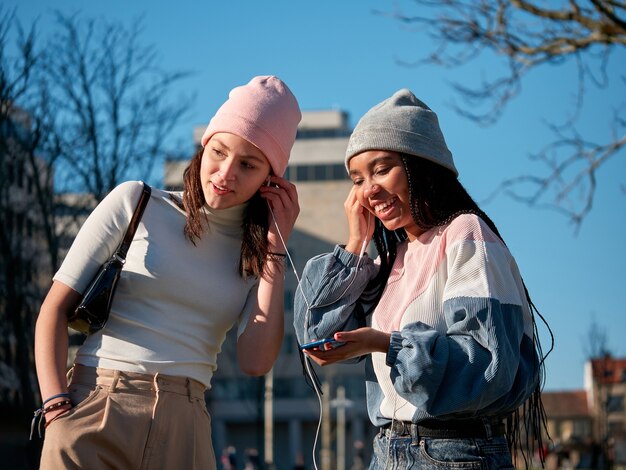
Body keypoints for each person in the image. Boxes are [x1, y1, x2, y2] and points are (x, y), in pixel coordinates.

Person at [34, 75, 301, 469]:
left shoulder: (256, 255)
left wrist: (276, 250)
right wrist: (56, 410)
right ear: (204, 146)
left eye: (248, 165)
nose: (226, 174)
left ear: (271, 178)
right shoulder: (136, 204)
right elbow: (53, 310)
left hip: (186, 424)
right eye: (219, 152)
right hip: (96, 404)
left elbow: (256, 362)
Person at [294, 89, 550, 469]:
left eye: (381, 170)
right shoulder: (390, 257)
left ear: (422, 165)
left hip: (454, 455)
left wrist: (387, 344)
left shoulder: (465, 234)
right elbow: (317, 329)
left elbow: (488, 367)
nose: (369, 190)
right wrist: (354, 245)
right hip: (386, 451)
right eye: (357, 179)